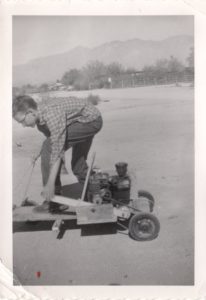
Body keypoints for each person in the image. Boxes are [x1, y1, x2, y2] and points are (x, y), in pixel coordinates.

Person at [12, 95, 103, 211]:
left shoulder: (51, 114)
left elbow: (55, 148)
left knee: (49, 147)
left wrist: (50, 184)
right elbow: (53, 137)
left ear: (30, 112)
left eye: (22, 121)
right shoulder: (40, 119)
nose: (23, 125)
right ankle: (95, 192)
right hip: (80, 120)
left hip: (91, 120)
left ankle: (54, 197)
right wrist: (39, 151)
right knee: (77, 165)